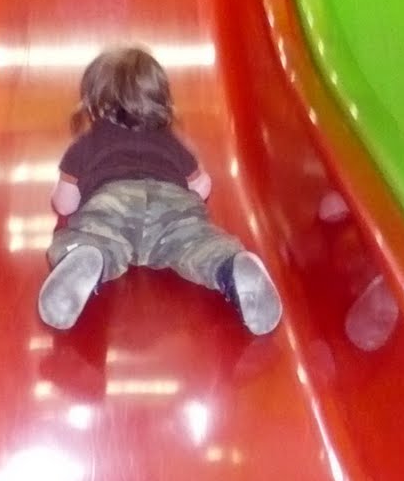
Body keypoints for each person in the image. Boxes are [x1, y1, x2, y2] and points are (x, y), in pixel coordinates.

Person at [38, 46, 282, 335]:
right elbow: (202, 187)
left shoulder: (87, 143)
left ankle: (86, 256)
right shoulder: (171, 141)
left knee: (97, 237)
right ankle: (229, 266)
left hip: (114, 201)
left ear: (94, 102)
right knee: (196, 243)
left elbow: (65, 204)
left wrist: (62, 197)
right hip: (173, 202)